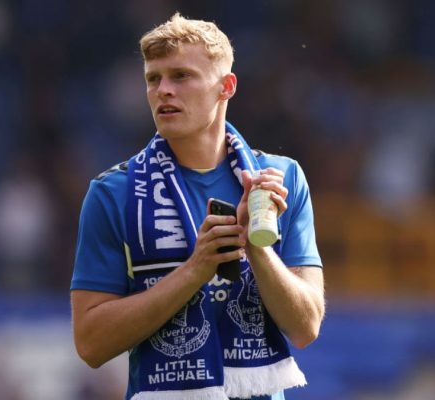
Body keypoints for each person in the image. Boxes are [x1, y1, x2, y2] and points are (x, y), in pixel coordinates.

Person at [71, 13, 325, 400]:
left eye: (181, 76)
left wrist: (256, 245)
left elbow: (306, 328)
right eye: (153, 79)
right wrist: (194, 271)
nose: (163, 91)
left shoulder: (280, 181)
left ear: (226, 87)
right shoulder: (112, 193)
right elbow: (91, 344)